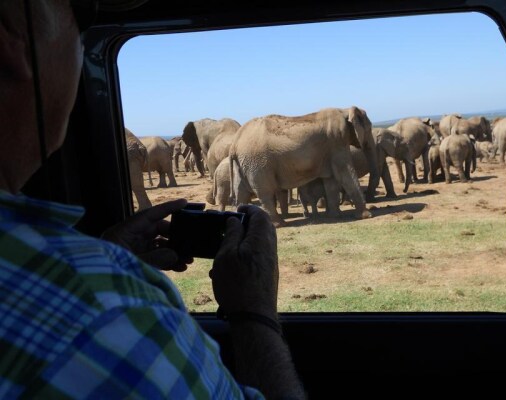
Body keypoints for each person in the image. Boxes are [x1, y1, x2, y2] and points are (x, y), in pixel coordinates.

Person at [0, 0, 306, 398]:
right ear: (9, 48)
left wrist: (105, 252)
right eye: (81, 20)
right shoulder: (105, 312)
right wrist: (254, 313)